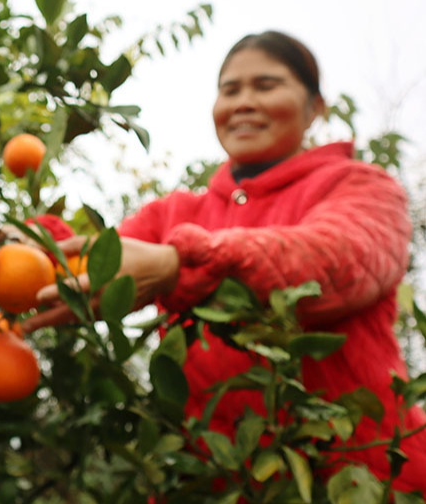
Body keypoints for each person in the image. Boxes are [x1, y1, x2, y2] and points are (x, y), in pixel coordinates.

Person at [21, 31, 426, 490]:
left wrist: (184, 264)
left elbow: (338, 262)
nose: (244, 102)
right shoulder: (177, 213)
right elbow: (89, 264)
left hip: (360, 476)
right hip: (210, 480)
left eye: (266, 86)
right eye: (229, 90)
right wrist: (34, 245)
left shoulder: (361, 187)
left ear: (315, 107)